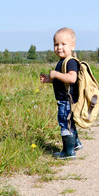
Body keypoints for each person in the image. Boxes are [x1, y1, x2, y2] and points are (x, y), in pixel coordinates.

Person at [40, 27, 82, 160]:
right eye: (56, 44)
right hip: (66, 99)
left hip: (66, 101)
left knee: (65, 123)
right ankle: (75, 144)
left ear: (72, 46)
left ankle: (68, 152)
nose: (59, 47)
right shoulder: (62, 61)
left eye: (64, 44)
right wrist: (50, 79)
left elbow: (72, 78)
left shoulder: (70, 62)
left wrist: (56, 74)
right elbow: (63, 82)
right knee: (70, 122)